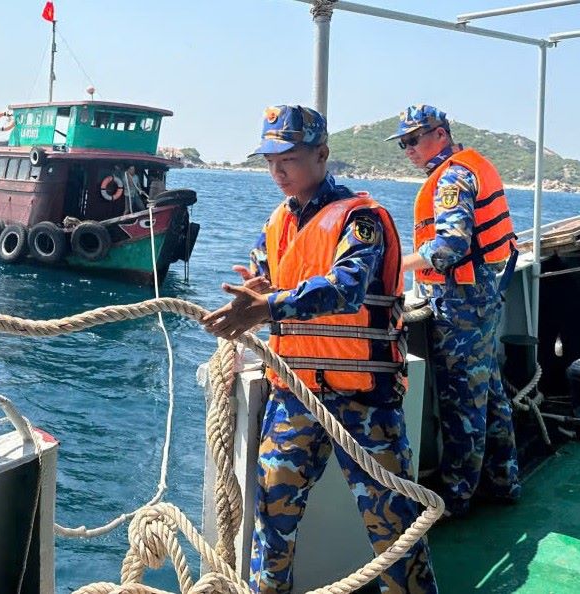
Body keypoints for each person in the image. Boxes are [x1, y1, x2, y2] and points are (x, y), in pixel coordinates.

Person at [202, 105, 438, 594]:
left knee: (394, 532)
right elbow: (266, 284)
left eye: (287, 158)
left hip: (365, 403)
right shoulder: (276, 225)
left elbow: (347, 287)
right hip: (295, 395)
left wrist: (268, 306)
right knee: (270, 519)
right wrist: (261, 290)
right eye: (269, 161)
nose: (277, 171)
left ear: (322, 154)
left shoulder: (361, 220)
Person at [387, 104, 520, 517]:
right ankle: (503, 481)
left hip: (461, 302)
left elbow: (451, 246)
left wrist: (396, 265)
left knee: (463, 400)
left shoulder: (452, 177)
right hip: (482, 295)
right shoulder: (465, 166)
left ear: (440, 134)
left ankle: (457, 498)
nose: (408, 149)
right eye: (403, 143)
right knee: (488, 394)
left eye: (414, 139)